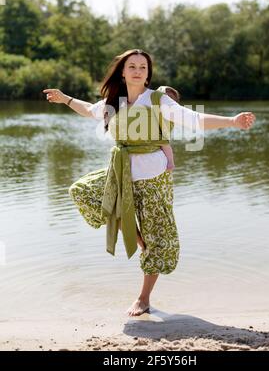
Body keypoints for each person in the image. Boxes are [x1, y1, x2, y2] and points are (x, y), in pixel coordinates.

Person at [42, 48, 256, 317]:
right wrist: (66, 99)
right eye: (132, 66)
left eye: (143, 67)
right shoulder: (115, 100)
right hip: (120, 172)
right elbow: (90, 111)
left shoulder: (158, 101)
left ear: (148, 73)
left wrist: (232, 121)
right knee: (82, 191)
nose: (138, 70)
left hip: (153, 177)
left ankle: (143, 298)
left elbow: (194, 119)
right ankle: (134, 234)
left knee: (158, 240)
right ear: (122, 71)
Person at [156, 85, 180, 171]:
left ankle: (170, 162)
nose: (168, 102)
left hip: (161, 155)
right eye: (165, 98)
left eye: (171, 100)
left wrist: (170, 161)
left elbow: (164, 141)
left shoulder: (170, 117)